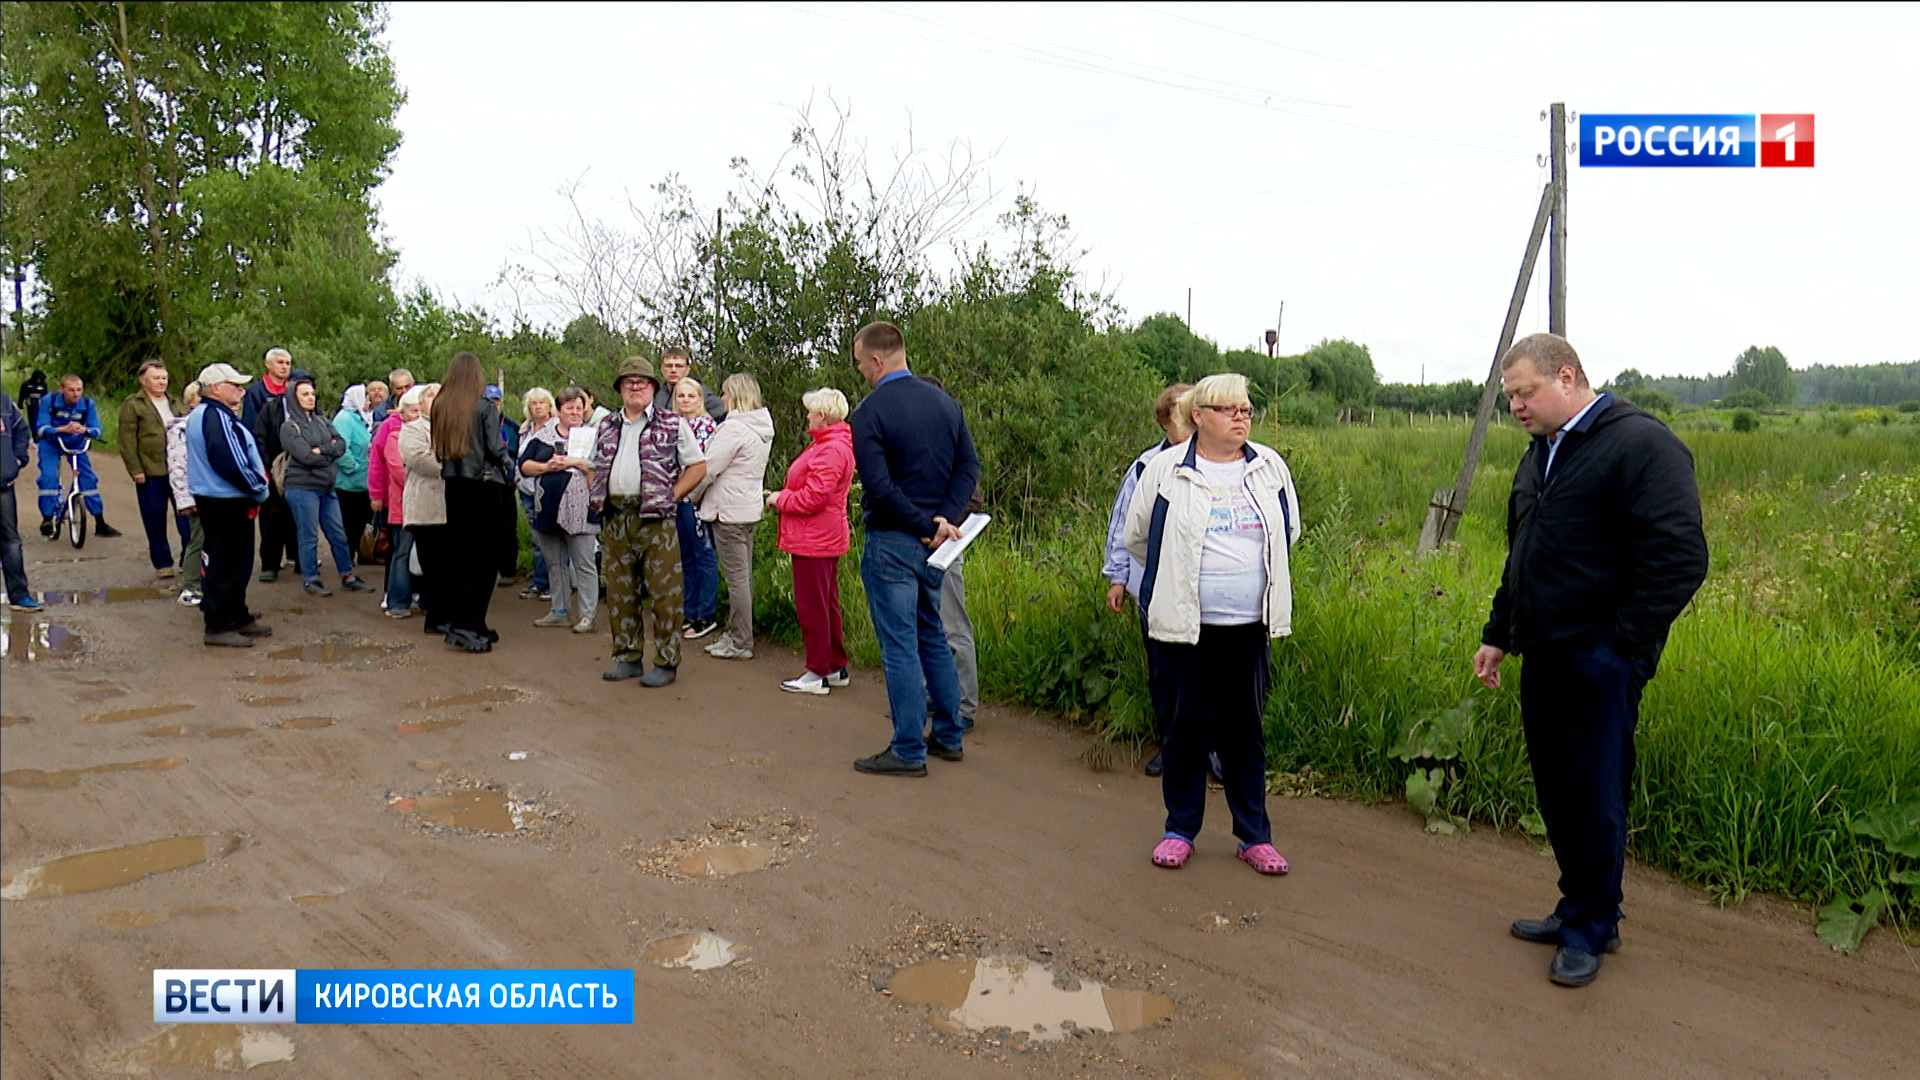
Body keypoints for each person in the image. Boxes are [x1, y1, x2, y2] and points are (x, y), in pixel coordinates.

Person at [1473, 333, 1708, 989]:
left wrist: (1620, 646)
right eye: (1509, 395)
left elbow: (1681, 558)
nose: (1514, 405)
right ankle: (1578, 906)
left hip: (1600, 661)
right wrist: (1500, 633)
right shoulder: (1542, 454)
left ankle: (1592, 929)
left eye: (1524, 392)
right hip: (1543, 652)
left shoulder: (1639, 444)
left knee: (1595, 792)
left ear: (1567, 376)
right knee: (1556, 788)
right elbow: (1523, 557)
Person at [1125, 373, 1301, 878]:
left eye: (1246, 409)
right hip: (1184, 626)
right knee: (1185, 729)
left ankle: (1254, 837)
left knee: (1245, 731)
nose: (1241, 418)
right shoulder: (1163, 470)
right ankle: (1180, 830)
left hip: (1247, 626)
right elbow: (1139, 538)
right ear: (1198, 416)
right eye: (1229, 410)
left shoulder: (1270, 468)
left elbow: (1288, 532)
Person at [847, 321, 979, 777]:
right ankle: (947, 734)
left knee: (900, 643)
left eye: (862, 363)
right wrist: (943, 521)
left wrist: (925, 524)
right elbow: (969, 468)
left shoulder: (869, 412)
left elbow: (879, 487)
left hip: (893, 542)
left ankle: (907, 748)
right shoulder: (947, 404)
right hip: (936, 545)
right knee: (931, 635)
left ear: (878, 361)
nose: (862, 371)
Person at [587, 356, 707, 688]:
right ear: (620, 389)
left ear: (653, 388)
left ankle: (667, 662)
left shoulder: (672, 422)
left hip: (656, 521)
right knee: (620, 592)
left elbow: (697, 467)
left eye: (642, 383)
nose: (635, 388)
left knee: (665, 594)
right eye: (629, 383)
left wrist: (672, 496)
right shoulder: (607, 424)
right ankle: (627, 658)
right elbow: (592, 465)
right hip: (616, 519)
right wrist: (598, 494)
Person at [1104, 383, 1193, 776]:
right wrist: (1118, 578)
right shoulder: (1145, 467)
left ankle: (1210, 752)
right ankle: (1170, 746)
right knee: (1163, 672)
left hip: (1203, 590)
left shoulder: (1221, 463)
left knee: (1206, 675)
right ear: (1164, 423)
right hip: (1153, 587)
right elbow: (1123, 525)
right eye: (1181, 419)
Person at [768, 387, 855, 694]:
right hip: (821, 536)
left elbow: (813, 498)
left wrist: (780, 499)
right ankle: (833, 665)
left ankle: (817, 670)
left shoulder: (830, 449)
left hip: (815, 538)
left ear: (821, 415)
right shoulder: (828, 444)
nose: (806, 417)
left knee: (812, 606)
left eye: (809, 412)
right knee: (825, 602)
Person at [185, 363, 272, 647]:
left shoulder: (211, 414)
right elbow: (230, 461)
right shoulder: (215, 415)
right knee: (226, 562)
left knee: (236, 561)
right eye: (233, 384)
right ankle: (219, 624)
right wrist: (258, 488)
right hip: (225, 499)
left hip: (221, 497)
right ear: (215, 388)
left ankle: (236, 614)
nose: (240, 389)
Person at [432, 353, 514, 652]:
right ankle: (466, 624)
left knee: (462, 556)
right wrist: (509, 464)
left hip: (454, 487)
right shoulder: (483, 407)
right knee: (484, 561)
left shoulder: (441, 406)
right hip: (483, 486)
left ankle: (471, 621)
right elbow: (494, 448)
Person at [917, 376, 983, 731]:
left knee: (953, 626)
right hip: (919, 544)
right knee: (926, 625)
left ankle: (965, 705)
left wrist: (942, 526)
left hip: (946, 545)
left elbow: (973, 497)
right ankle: (935, 694)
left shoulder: (954, 439)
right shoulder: (920, 441)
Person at [695, 374, 773, 661]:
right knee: (743, 576)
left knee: (736, 578)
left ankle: (740, 640)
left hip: (726, 510)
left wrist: (692, 495)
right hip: (747, 508)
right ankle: (739, 633)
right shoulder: (762, 427)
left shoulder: (733, 429)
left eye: (725, 393)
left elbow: (709, 468)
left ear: (735, 395)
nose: (722, 399)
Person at [279, 375, 374, 597]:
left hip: (326, 486)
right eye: (305, 394)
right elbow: (305, 457)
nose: (310, 397)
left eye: (312, 393)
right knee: (308, 535)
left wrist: (321, 450)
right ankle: (310, 579)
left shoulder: (322, 420)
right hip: (302, 487)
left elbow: (340, 445)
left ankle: (347, 575)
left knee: (338, 533)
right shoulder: (289, 426)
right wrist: (326, 451)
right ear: (293, 398)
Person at [519, 387, 599, 633]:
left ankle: (587, 615)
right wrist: (547, 466)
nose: (575, 412)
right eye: (569, 408)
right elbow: (524, 466)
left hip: (581, 509)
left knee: (584, 563)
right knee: (554, 562)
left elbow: (602, 467)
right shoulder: (543, 436)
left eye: (579, 407)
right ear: (559, 410)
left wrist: (577, 462)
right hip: (548, 506)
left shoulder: (594, 436)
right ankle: (559, 610)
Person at [117, 360, 190, 578]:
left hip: (179, 471)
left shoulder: (176, 402)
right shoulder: (133, 405)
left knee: (187, 517)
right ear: (143, 380)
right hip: (150, 470)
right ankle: (162, 563)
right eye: (156, 378)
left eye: (164, 378)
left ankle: (189, 559)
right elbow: (126, 440)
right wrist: (135, 469)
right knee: (154, 518)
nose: (161, 382)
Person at [35, 373, 120, 538]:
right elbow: (40, 428)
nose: (76, 394)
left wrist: (85, 430)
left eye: (79, 390)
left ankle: (100, 522)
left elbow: (97, 429)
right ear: (62, 389)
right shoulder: (49, 401)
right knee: (48, 476)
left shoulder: (88, 404)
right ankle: (47, 519)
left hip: (76, 443)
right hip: (51, 443)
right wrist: (62, 429)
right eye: (71, 390)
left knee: (88, 478)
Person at [670, 376, 720, 640]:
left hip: (697, 500)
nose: (686, 401)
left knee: (704, 555)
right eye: (681, 396)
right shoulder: (673, 424)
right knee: (686, 556)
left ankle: (705, 613)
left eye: (691, 396)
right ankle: (689, 611)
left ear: (700, 400)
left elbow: (703, 466)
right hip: (676, 499)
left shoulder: (706, 427)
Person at [246, 349, 298, 581]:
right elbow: (251, 431)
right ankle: (270, 563)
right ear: (268, 365)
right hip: (268, 461)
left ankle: (297, 556)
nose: (284, 366)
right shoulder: (256, 392)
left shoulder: (295, 390)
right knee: (271, 513)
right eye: (280, 362)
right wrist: (260, 465)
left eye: (288, 363)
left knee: (296, 510)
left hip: (295, 462)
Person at [399, 384, 446, 630]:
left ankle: (447, 615)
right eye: (430, 394)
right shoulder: (412, 429)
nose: (436, 398)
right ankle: (435, 619)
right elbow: (421, 460)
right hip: (426, 507)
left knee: (449, 566)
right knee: (432, 565)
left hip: (452, 507)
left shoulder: (454, 428)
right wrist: (454, 464)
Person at [369, 386, 414, 616]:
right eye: (412, 410)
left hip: (416, 504)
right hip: (398, 502)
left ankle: (412, 596)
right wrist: (376, 493)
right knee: (399, 551)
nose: (417, 414)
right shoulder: (392, 431)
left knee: (412, 553)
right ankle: (395, 599)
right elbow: (385, 465)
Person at [165, 381, 207, 606]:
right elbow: (178, 467)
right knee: (198, 539)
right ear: (191, 402)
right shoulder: (181, 429)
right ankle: (191, 586)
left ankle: (209, 583)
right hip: (196, 494)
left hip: (217, 494)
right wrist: (184, 499)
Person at [516, 388, 557, 601]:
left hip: (548, 490)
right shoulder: (524, 429)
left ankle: (555, 584)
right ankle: (540, 582)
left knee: (552, 538)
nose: (538, 407)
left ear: (550, 405)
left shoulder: (557, 428)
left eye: (542, 402)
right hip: (526, 489)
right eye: (534, 403)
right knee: (536, 539)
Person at [1, 388, 40, 610]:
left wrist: (16, 461)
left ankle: (19, 596)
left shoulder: (4, 401)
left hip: (3, 485)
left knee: (11, 542)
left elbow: (21, 430)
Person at [332, 384, 375, 564]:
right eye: (366, 397)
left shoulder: (358, 418)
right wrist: (355, 467)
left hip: (362, 482)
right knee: (348, 523)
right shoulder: (344, 419)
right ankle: (345, 560)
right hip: (349, 483)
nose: (369, 401)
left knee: (359, 523)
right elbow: (340, 448)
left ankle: (360, 554)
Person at [487, 383, 522, 587]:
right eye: (489, 401)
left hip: (507, 484)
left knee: (507, 528)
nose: (493, 405)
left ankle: (508, 570)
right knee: (486, 530)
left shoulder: (511, 426)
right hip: (485, 484)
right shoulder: (475, 424)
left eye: (496, 401)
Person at [659, 346, 727, 422]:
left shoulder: (700, 392)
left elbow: (723, 416)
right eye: (669, 366)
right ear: (662, 368)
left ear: (687, 369)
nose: (673, 370)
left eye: (679, 366)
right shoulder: (656, 394)